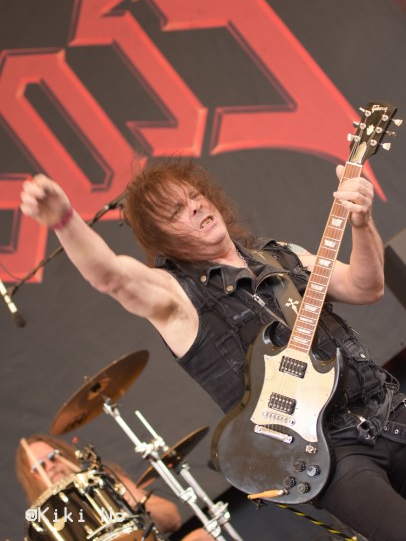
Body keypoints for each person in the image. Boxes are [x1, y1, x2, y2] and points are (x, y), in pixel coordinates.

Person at [20, 159, 406, 541]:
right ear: (163, 238)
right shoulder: (177, 298)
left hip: (388, 408)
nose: (196, 206)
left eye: (195, 196)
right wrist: (64, 220)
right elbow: (111, 276)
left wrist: (362, 222)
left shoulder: (280, 255)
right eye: (177, 211)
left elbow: (365, 287)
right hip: (333, 453)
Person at [17, 434, 212, 541]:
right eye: (39, 466)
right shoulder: (44, 525)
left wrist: (135, 499)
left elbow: (173, 519)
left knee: (202, 537)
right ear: (31, 479)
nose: (50, 466)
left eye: (53, 457)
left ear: (65, 455)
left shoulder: (104, 480)